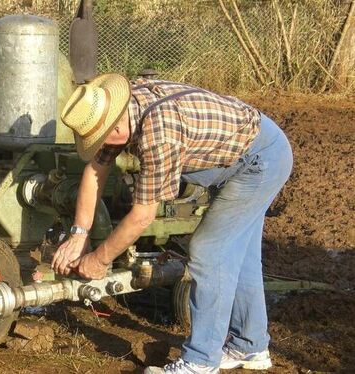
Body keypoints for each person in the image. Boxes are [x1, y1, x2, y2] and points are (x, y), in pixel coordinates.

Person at [52, 73, 293, 373]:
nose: (97, 146)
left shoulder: (159, 133)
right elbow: (94, 172)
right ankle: (250, 346)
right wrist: (79, 234)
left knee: (208, 251)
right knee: (241, 258)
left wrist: (100, 259)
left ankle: (200, 362)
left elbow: (142, 217)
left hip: (259, 161)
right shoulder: (121, 111)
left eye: (97, 139)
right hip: (242, 155)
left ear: (113, 127)